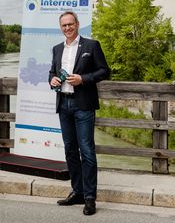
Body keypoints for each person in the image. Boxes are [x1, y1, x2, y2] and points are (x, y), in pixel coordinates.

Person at [49, 11, 110, 216]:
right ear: (61, 27)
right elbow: (52, 72)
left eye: (70, 24)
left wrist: (83, 79)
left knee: (87, 151)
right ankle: (78, 191)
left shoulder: (91, 46)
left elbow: (104, 71)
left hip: (83, 105)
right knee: (70, 150)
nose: (67, 28)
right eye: (64, 25)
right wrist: (53, 80)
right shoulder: (57, 49)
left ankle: (90, 197)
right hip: (63, 105)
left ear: (77, 24)